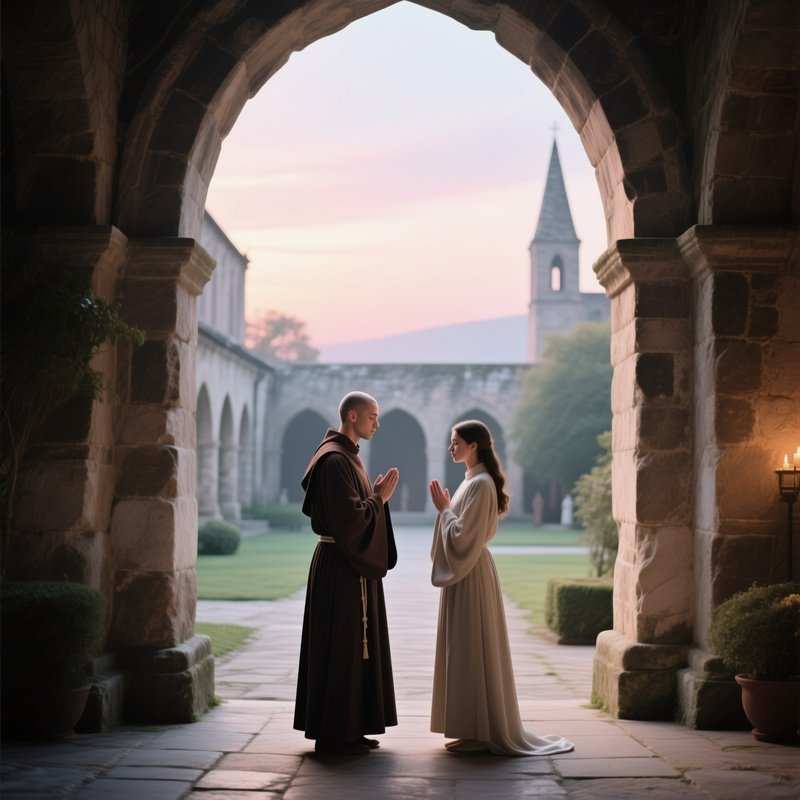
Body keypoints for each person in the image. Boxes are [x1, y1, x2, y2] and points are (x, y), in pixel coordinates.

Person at [428, 419, 574, 756]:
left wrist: (444, 510)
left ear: (473, 445)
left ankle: (480, 731)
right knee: (463, 648)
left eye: (455, 442)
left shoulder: (480, 484)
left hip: (472, 573)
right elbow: (462, 531)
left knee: (472, 647)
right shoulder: (471, 482)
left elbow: (466, 538)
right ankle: (470, 728)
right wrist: (448, 511)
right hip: (465, 574)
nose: (451, 448)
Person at [294, 391, 400, 755]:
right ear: (352, 416)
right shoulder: (335, 459)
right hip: (340, 568)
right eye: (372, 416)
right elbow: (348, 521)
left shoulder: (347, 456)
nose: (377, 423)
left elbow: (353, 511)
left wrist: (373, 498)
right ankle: (334, 733)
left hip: (347, 565)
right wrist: (380, 499)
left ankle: (350, 729)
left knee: (352, 650)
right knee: (340, 647)